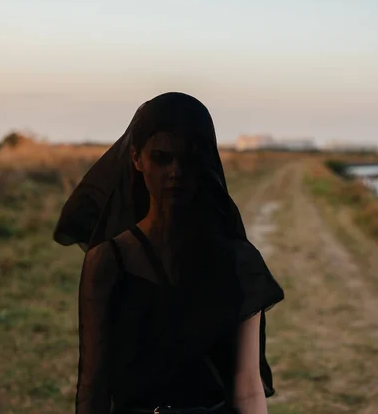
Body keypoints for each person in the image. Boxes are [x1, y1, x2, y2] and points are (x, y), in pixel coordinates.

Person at [54, 92, 284, 414]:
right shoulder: (108, 261)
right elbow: (93, 386)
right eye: (162, 157)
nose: (176, 171)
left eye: (189, 159)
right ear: (137, 158)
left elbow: (247, 387)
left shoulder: (239, 261)